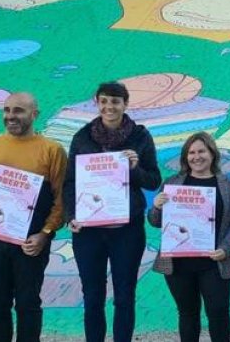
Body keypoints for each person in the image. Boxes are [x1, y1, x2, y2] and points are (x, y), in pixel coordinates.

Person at [0, 92, 68, 342]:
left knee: (28, 305)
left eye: (18, 110)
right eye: (6, 110)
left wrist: (45, 233)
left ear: (34, 114)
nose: (10, 116)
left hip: (31, 243)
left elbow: (61, 200)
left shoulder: (52, 150)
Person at [64, 81, 161, 342]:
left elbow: (153, 180)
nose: (109, 106)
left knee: (124, 296)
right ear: (97, 102)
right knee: (92, 296)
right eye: (104, 101)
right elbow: (70, 181)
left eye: (115, 101)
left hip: (127, 231)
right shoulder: (82, 136)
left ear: (125, 104)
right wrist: (71, 215)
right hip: (89, 232)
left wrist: (134, 168)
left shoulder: (140, 136)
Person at [149, 132, 230, 342]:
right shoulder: (172, 183)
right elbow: (155, 221)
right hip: (178, 263)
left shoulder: (229, 186)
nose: (196, 156)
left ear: (212, 153)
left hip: (215, 261)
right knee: (187, 314)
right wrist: (156, 206)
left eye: (201, 151)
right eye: (191, 152)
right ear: (185, 157)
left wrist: (226, 248)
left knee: (218, 313)